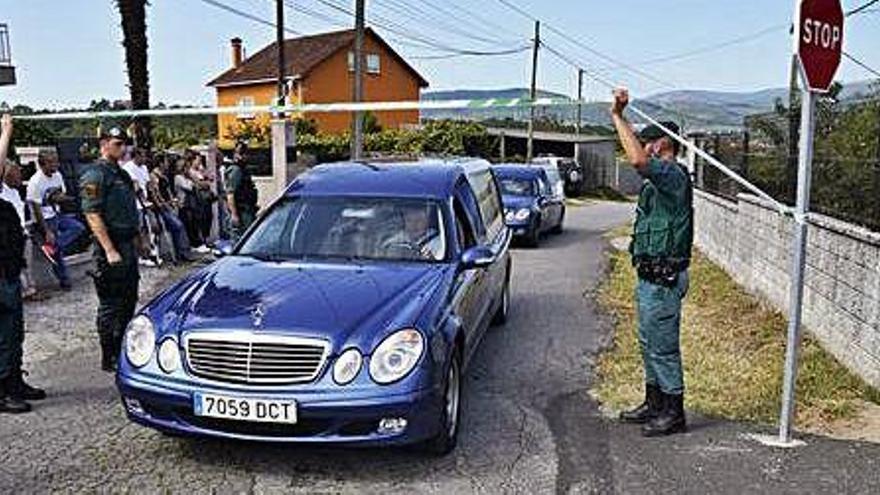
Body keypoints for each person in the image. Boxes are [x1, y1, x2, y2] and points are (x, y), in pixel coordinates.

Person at [610, 88, 693, 437]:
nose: (642, 148)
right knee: (648, 342)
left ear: (660, 146)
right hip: (649, 278)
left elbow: (639, 163)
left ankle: (673, 412)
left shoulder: (674, 177)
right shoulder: (657, 185)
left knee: (662, 346)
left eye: (646, 143)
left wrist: (618, 116)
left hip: (664, 280)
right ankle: (654, 402)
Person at [80, 127, 141, 372]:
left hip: (127, 245)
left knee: (129, 300)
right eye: (117, 144)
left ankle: (123, 350)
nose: (123, 148)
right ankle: (110, 355)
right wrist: (109, 249)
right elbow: (92, 214)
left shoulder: (122, 175)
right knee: (110, 305)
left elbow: (130, 211)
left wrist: (140, 241)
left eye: (124, 144)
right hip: (110, 247)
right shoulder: (95, 174)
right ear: (103, 143)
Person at [0, 114, 45, 414]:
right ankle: (3, 390)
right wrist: (6, 131)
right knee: (3, 334)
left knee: (14, 332)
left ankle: (14, 381)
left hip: (9, 272)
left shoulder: (5, 200)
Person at [26, 149, 86, 290]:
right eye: (51, 162)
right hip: (44, 219)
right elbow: (36, 209)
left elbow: (60, 194)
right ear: (42, 165)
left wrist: (67, 198)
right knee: (57, 256)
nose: (56, 165)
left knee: (78, 227)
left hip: (57, 214)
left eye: (56, 161)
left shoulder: (57, 175)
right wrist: (46, 231)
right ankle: (65, 281)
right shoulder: (36, 182)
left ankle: (53, 247)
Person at [1, 161, 39, 299]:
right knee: (16, 266)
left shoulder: (15, 192)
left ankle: (29, 289)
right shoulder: (2, 192)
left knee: (26, 264)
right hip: (9, 237)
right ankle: (23, 291)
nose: (20, 176)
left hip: (22, 233)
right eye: (17, 173)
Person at [147, 156, 193, 262]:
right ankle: (183, 253)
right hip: (162, 207)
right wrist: (164, 204)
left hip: (169, 205)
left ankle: (181, 253)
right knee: (178, 226)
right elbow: (156, 193)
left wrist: (173, 200)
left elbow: (168, 191)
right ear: (160, 163)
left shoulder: (164, 176)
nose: (167, 164)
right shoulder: (154, 176)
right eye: (165, 162)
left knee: (179, 226)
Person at [122, 148, 160, 267]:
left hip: (145, 202)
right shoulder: (128, 168)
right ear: (136, 156)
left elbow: (148, 184)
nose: (145, 159)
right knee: (140, 230)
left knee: (153, 226)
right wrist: (143, 200)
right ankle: (143, 256)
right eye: (143, 156)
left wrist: (153, 198)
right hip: (135, 204)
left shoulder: (144, 167)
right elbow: (135, 186)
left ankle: (152, 250)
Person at [225, 142, 259, 240]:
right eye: (241, 153)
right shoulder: (236, 170)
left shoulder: (243, 169)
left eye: (244, 153)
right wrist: (234, 214)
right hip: (241, 212)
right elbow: (230, 194)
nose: (244, 156)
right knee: (240, 240)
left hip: (248, 210)